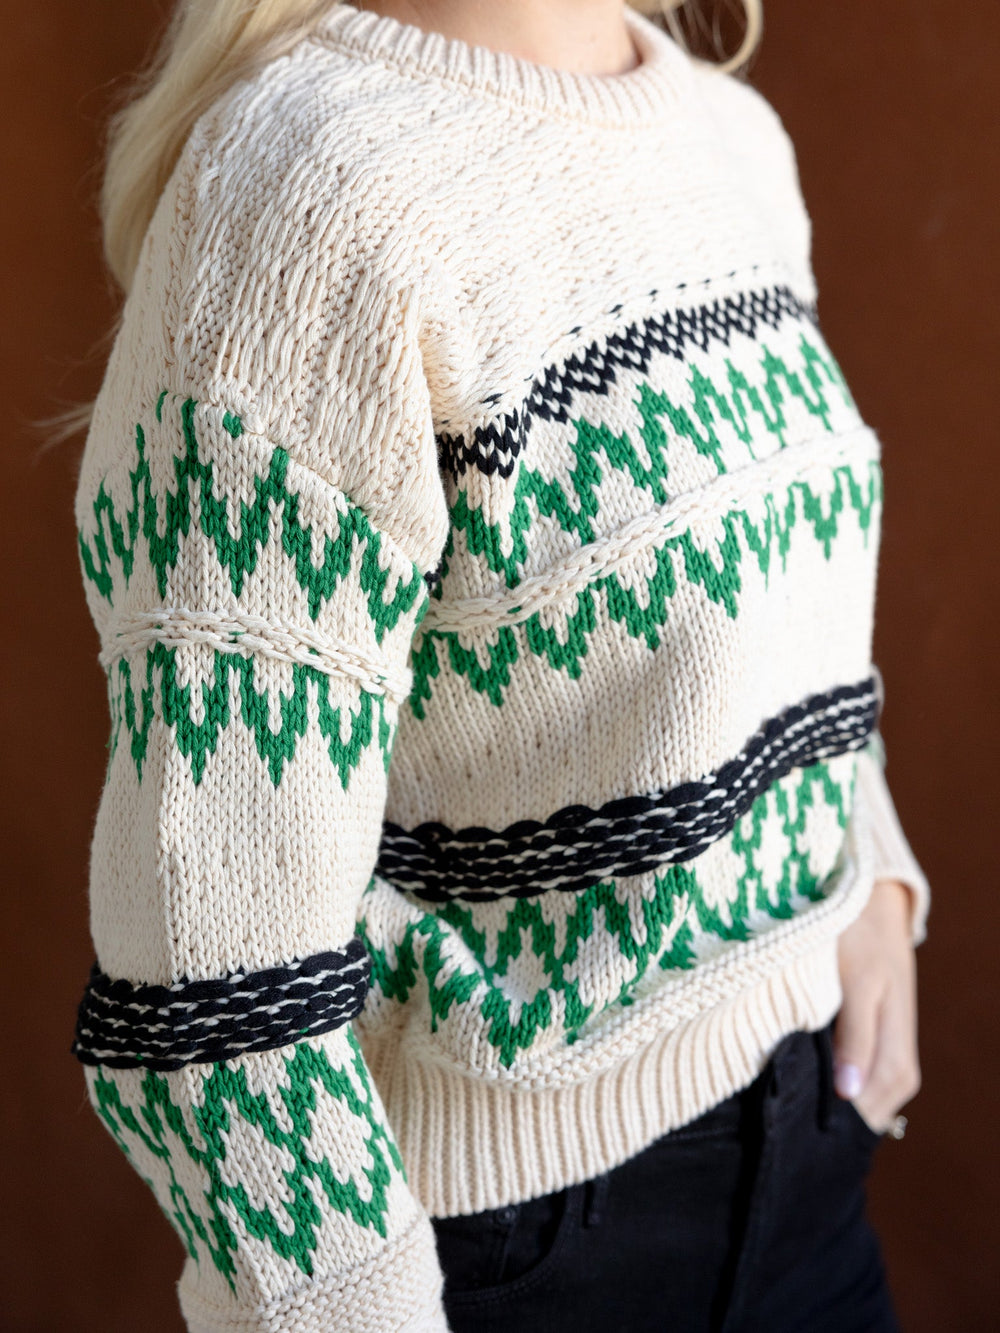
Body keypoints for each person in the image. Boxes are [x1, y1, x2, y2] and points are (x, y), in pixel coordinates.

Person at [67, 1, 930, 1329]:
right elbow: (209, 955)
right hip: (523, 1253)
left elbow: (770, 600)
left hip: (813, 1177)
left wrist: (870, 865)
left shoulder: (733, 140)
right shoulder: (304, 186)